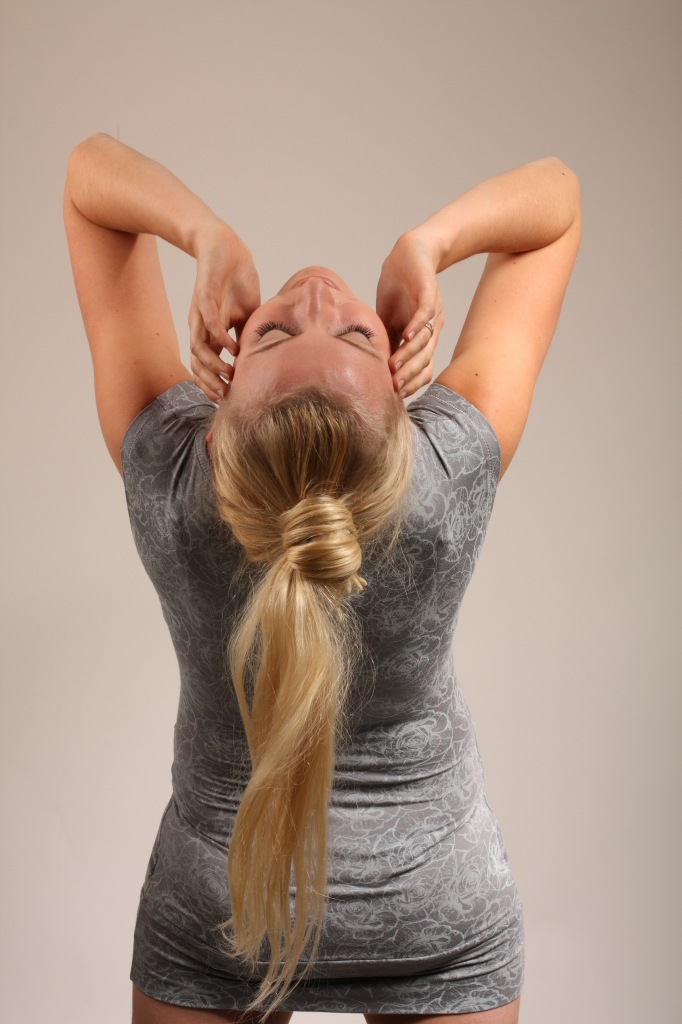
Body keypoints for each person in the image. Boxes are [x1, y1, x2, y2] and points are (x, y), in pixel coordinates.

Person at [64, 134, 581, 1024]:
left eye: (291, 331)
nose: (314, 295)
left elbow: (87, 180)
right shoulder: (445, 474)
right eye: (334, 329)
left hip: (220, 917)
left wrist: (206, 236)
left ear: (215, 420)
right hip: (437, 920)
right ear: (408, 420)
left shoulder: (174, 479)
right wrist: (428, 246)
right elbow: (556, 201)